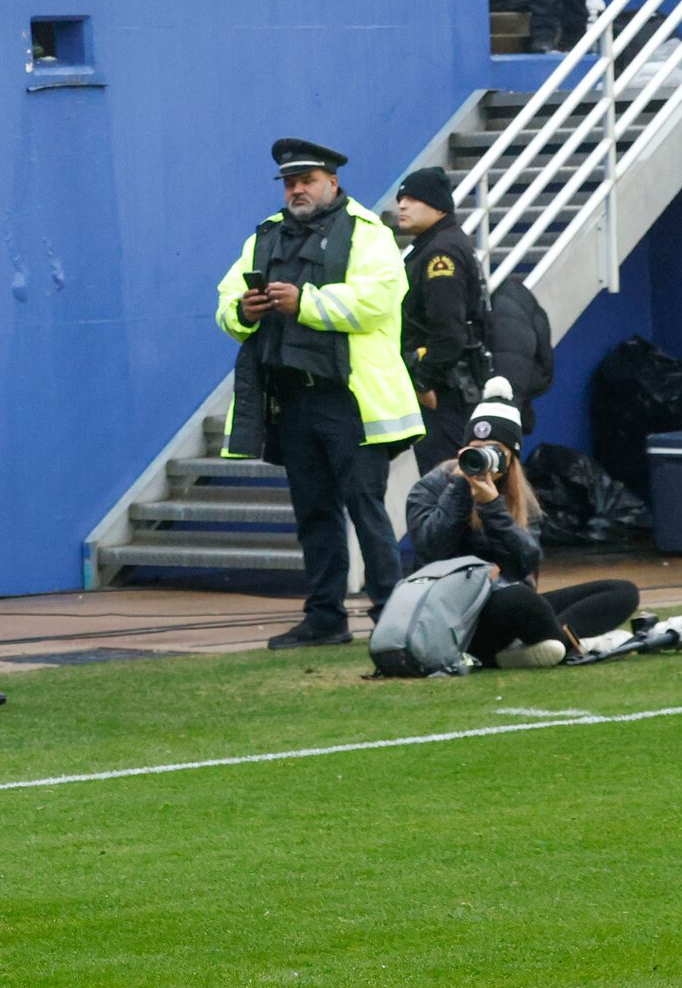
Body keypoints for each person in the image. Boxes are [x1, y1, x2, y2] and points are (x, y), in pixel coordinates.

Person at [214, 138, 421, 647]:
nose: (297, 190)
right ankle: (325, 618)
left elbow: (377, 300)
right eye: (290, 183)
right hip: (294, 398)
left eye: (306, 181)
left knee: (366, 509)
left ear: (332, 181)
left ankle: (390, 615)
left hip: (350, 399)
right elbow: (224, 301)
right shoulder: (265, 236)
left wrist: (303, 302)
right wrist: (244, 311)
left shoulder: (369, 232)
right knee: (314, 515)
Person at [403, 385, 640, 668]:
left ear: (510, 459)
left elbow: (527, 561)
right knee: (521, 600)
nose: (482, 460)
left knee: (622, 591)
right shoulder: (432, 487)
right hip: (453, 614)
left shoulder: (521, 499)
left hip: (509, 604)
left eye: (494, 452)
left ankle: (543, 645)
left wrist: (492, 509)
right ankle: (575, 644)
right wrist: (460, 491)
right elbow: (431, 550)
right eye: (474, 451)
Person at [391, 165, 490, 474]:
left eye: (413, 199)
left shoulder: (440, 254)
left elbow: (449, 333)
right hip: (448, 386)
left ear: (437, 205)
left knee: (447, 486)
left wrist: (424, 380)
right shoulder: (433, 245)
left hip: (445, 391)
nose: (402, 205)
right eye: (400, 198)